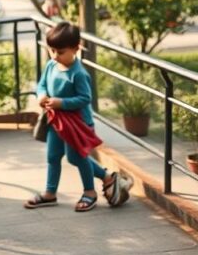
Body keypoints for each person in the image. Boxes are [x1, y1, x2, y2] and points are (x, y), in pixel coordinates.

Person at [24, 21, 129, 212]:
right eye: (52, 50)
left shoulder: (79, 73)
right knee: (53, 156)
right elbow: (42, 85)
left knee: (77, 158)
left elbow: (85, 98)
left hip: (77, 123)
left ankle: (90, 192)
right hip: (56, 120)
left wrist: (61, 102)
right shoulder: (51, 65)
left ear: (75, 48)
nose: (55, 55)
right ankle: (50, 192)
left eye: (60, 51)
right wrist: (41, 96)